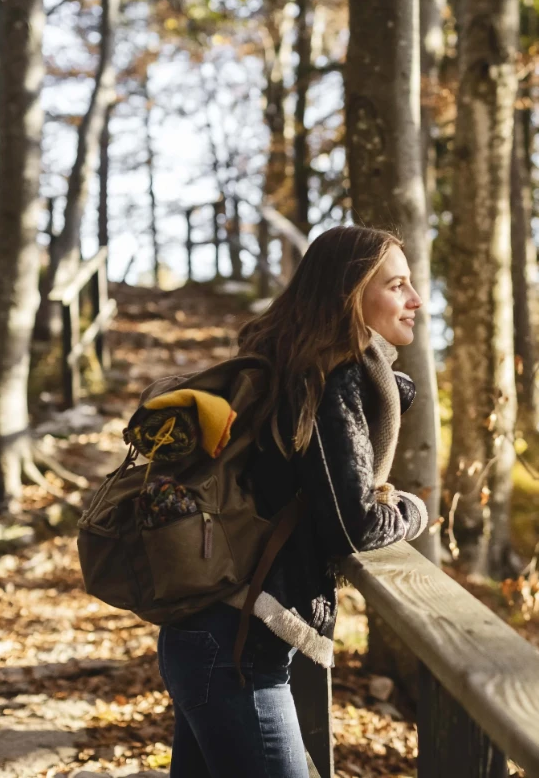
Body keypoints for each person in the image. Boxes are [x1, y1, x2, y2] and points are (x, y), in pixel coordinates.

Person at [156, 225, 430, 778]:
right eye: (397, 285)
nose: (415, 299)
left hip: (209, 636)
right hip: (235, 650)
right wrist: (414, 511)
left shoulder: (298, 364)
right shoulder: (329, 377)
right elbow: (354, 525)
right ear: (352, 294)